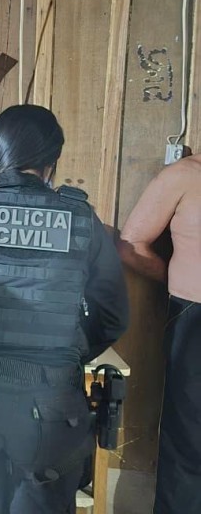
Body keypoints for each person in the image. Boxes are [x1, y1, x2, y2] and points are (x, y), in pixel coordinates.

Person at [0, 104, 129, 514]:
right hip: (51, 407)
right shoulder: (81, 220)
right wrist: (65, 355)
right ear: (52, 162)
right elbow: (112, 316)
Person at [118, 153, 201, 514]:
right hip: (194, 315)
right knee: (189, 440)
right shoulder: (185, 175)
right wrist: (173, 277)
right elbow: (131, 245)